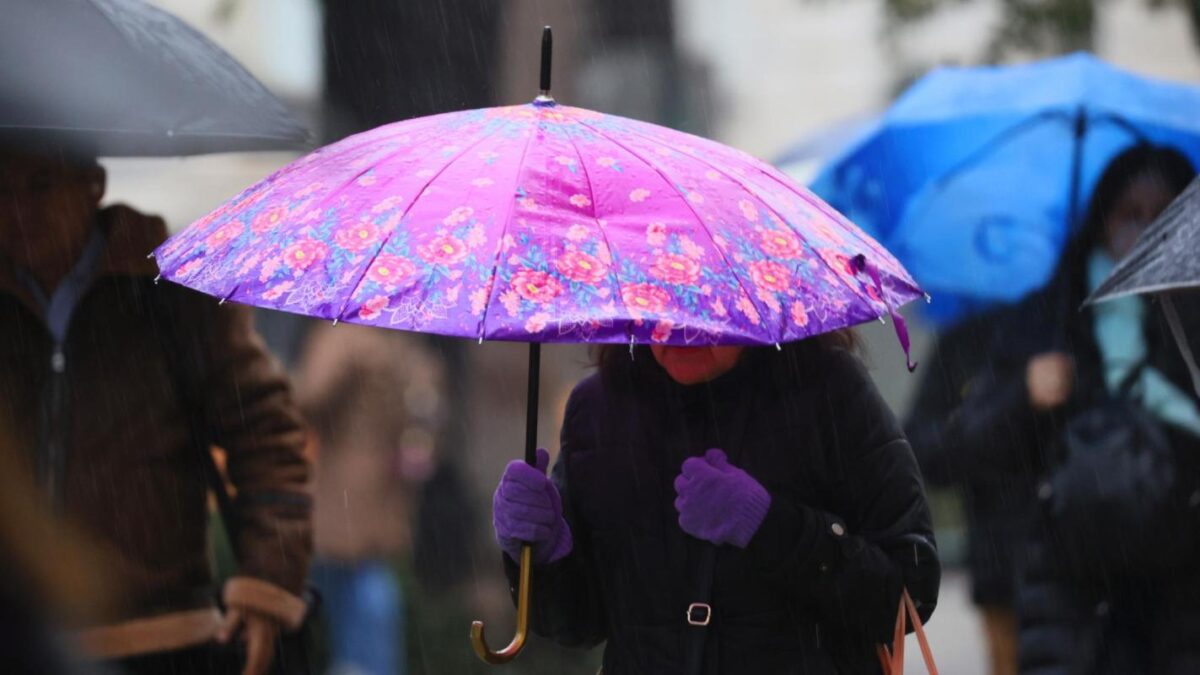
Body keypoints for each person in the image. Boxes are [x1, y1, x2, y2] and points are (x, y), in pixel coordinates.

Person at [0, 147, 313, 675]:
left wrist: (267, 583)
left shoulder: (174, 290)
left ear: (93, 185)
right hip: (22, 640)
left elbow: (266, 433)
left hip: (162, 641)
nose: (17, 210)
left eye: (40, 186)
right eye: (1, 190)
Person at [491, 333, 941, 673]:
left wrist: (771, 527)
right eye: (658, 302)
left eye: (696, 302)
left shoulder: (830, 393)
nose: (676, 329)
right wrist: (543, 554)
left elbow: (906, 594)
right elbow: (580, 623)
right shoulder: (599, 410)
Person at [945, 143, 1199, 674]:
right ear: (1101, 218)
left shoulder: (1191, 318)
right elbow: (965, 446)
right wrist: (1025, 394)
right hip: (1072, 598)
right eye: (1129, 214)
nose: (1145, 231)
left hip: (1181, 592)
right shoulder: (1051, 311)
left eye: (1162, 216)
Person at [294, 322, 446, 675]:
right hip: (385, 495)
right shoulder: (410, 347)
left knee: (355, 597)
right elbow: (428, 418)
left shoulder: (345, 339)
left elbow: (310, 396)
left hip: (343, 493)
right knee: (365, 592)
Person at [902, 309, 1022, 675]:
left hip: (1100, 554)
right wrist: (1016, 401)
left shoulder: (1078, 327)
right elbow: (923, 448)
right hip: (1001, 558)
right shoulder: (966, 343)